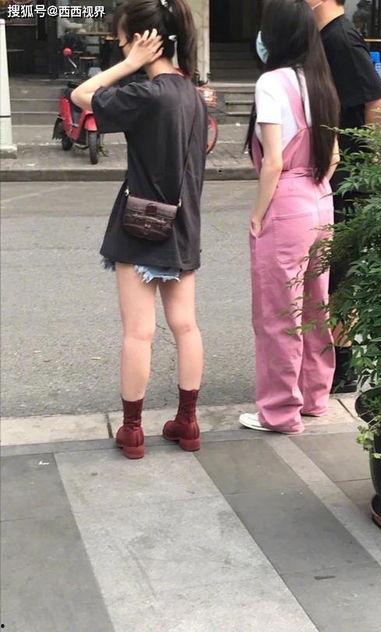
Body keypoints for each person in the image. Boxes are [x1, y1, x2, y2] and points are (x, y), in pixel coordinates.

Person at [71, 0, 207, 460]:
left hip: (140, 224)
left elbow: (82, 95)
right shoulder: (191, 92)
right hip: (183, 225)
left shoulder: (146, 94)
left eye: (122, 37)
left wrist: (128, 64)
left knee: (138, 332)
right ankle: (188, 422)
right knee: (185, 326)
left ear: (143, 40)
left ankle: (132, 431)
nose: (118, 44)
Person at [239, 0, 340, 435]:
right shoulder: (320, 81)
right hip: (321, 199)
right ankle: (315, 398)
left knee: (278, 314)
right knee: (316, 306)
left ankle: (279, 413)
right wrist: (313, 187)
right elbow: (333, 156)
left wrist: (257, 214)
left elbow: (273, 161)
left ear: (275, 35)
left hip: (286, 204)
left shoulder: (271, 82)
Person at [306, 0, 381, 393]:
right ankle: (330, 359)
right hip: (333, 176)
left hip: (348, 180)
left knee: (339, 274)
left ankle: (344, 364)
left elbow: (378, 102)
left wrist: (367, 163)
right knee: (330, 272)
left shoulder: (341, 38)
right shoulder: (324, 36)